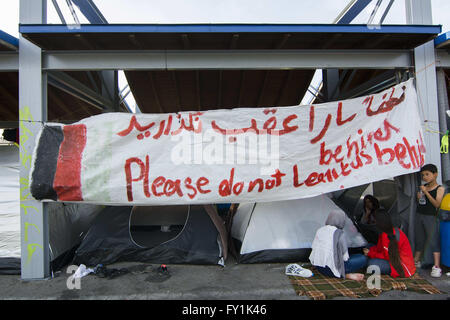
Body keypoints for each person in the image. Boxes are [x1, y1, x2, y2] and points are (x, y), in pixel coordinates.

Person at [310, 210, 368, 281]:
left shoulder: (320, 230)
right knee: (362, 258)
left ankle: (344, 274)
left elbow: (314, 248)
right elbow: (345, 257)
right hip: (333, 269)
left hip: (319, 267)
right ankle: (344, 274)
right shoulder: (339, 233)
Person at [363, 209, 416, 278]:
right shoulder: (385, 232)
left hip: (401, 266)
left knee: (372, 264)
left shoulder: (388, 236)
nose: (374, 222)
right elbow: (379, 248)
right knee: (369, 246)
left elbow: (387, 256)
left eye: (374, 221)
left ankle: (365, 260)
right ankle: (366, 258)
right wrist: (370, 251)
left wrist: (370, 253)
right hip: (390, 257)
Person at [414, 164, 445, 277]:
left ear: (435, 174)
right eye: (423, 175)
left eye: (427, 174)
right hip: (419, 214)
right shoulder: (423, 187)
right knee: (420, 238)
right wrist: (419, 197)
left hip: (431, 216)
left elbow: (437, 204)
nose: (425, 177)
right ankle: (416, 260)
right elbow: (422, 203)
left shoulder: (440, 188)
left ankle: (437, 266)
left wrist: (426, 192)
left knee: (433, 239)